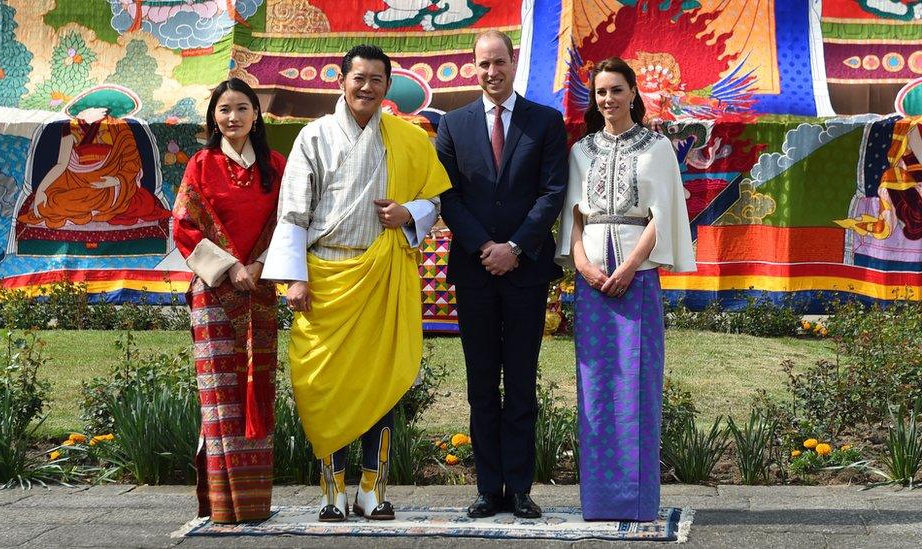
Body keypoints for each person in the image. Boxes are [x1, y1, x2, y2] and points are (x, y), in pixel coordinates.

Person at [262, 44, 450, 522]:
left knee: (379, 382)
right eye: (358, 78)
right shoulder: (314, 137)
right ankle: (332, 491)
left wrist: (410, 213)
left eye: (377, 80)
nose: (367, 87)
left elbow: (434, 201)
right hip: (325, 277)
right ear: (341, 81)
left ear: (388, 86)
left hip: (382, 276)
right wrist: (295, 280)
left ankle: (373, 489)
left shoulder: (407, 139)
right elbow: (293, 212)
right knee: (324, 383)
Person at [435, 30, 568, 519]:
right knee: (481, 383)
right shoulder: (453, 124)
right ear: (474, 67)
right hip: (474, 272)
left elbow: (553, 192)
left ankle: (520, 488)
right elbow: (448, 196)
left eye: (500, 62)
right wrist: (484, 247)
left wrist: (514, 247)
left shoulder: (546, 122)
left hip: (525, 272)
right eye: (483, 64)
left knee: (522, 383)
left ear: (515, 63)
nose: (492, 72)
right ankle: (488, 489)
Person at [556, 57, 695, 522]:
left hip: (638, 274)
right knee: (595, 384)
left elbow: (665, 217)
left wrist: (632, 267)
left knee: (637, 381)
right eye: (601, 92)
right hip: (592, 276)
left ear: (633, 92)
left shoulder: (657, 149)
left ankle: (637, 502)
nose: (609, 99)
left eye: (617, 90)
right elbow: (573, 219)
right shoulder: (582, 151)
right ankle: (598, 501)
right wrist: (582, 266)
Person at [172, 78, 285, 524]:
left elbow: (288, 221)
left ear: (256, 115)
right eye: (224, 110)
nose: (233, 117)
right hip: (214, 293)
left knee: (257, 390)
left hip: (259, 291)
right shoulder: (200, 165)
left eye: (241, 108)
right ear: (213, 118)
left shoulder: (275, 165)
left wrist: (257, 265)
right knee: (220, 397)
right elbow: (184, 225)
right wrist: (230, 268)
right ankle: (223, 506)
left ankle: (255, 504)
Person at [18, 85, 170, 229]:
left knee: (144, 202)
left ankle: (95, 209)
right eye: (100, 108)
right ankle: (94, 210)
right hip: (75, 183)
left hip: (108, 186)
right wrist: (41, 191)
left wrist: (116, 180)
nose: (104, 112)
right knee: (49, 203)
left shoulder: (120, 127)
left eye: (105, 109)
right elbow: (61, 165)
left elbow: (132, 162)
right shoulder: (69, 127)